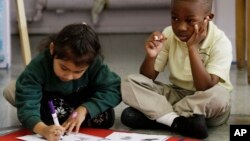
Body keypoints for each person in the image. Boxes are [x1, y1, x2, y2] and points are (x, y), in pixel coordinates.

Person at [120, 0, 232, 139]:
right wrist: (151, 57)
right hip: (177, 93)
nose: (181, 27)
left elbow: (204, 86)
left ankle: (161, 117)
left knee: (220, 96)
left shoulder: (220, 42)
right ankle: (179, 122)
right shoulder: (169, 34)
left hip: (205, 102)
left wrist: (192, 48)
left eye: (190, 20)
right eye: (175, 18)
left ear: (208, 18)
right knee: (129, 81)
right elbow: (147, 78)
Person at [3, 23, 121, 141]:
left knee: (106, 116)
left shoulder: (94, 64)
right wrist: (43, 130)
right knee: (14, 91)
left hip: (79, 102)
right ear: (52, 49)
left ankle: (65, 117)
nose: (69, 76)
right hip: (50, 102)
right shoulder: (39, 66)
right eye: (64, 68)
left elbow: (114, 89)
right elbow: (27, 104)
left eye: (78, 72)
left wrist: (85, 109)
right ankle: (49, 118)